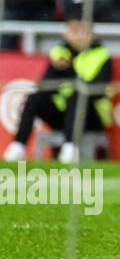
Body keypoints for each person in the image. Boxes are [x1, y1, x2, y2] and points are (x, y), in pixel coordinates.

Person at [3, 20, 112, 164]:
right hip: (62, 114)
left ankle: (70, 148)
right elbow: (46, 86)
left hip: (90, 116)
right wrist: (56, 69)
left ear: (92, 33)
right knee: (35, 97)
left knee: (78, 95)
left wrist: (70, 71)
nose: (78, 36)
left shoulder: (101, 54)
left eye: (82, 31)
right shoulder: (59, 52)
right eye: (73, 31)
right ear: (66, 32)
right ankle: (18, 146)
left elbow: (99, 90)